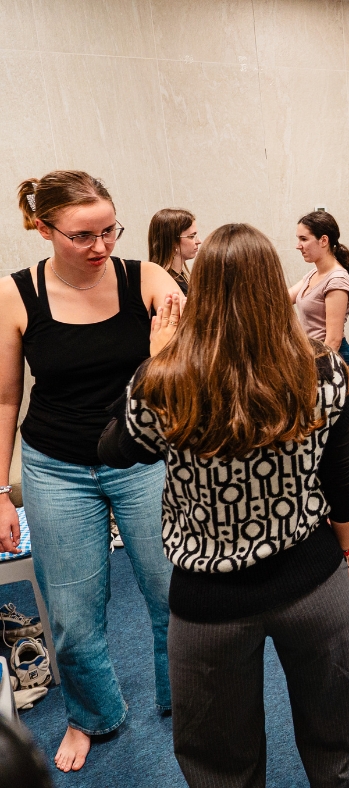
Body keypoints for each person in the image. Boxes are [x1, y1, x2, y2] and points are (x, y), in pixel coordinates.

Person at [98, 223, 349, 787]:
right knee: (338, 750)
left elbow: (115, 449)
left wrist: (156, 362)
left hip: (207, 601)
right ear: (274, 288)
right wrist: (343, 554)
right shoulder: (324, 370)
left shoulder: (170, 381)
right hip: (312, 579)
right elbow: (341, 480)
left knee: (220, 768)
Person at [0, 171, 181, 772]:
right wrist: (0, 492)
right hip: (56, 467)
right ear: (44, 229)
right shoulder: (15, 294)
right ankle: (90, 715)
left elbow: (192, 362)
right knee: (73, 612)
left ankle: (184, 697)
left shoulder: (145, 279)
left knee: (172, 590)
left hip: (141, 457)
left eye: (109, 230)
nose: (100, 245)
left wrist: (168, 350)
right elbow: (5, 399)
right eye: (82, 235)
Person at [288, 210, 349, 518]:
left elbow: (332, 340)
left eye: (303, 239)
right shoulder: (313, 274)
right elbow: (283, 298)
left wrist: (315, 376)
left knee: (339, 438)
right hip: (313, 359)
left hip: (333, 362)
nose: (298, 245)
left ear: (324, 241)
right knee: (326, 437)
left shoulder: (337, 279)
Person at [148, 208, 201, 296]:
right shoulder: (166, 285)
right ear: (172, 242)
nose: (199, 241)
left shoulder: (180, 277)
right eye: (191, 236)